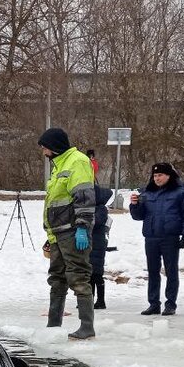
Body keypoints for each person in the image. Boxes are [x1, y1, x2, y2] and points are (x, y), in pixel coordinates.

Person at [38, 127, 96, 339]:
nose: (44, 152)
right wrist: (51, 234)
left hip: (73, 232)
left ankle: (87, 327)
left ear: (54, 146)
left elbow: (84, 198)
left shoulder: (77, 162)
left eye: (45, 148)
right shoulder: (58, 164)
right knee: (57, 278)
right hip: (58, 233)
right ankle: (54, 324)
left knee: (78, 276)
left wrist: (82, 227)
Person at [129, 162, 184, 316]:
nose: (157, 178)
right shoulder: (147, 193)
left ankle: (170, 304)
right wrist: (134, 205)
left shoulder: (181, 193)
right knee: (152, 271)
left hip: (169, 237)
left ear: (168, 176)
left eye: (160, 175)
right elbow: (138, 216)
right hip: (151, 237)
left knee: (171, 271)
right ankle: (153, 304)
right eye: (155, 175)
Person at [90, 182, 113, 309]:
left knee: (97, 274)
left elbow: (98, 221)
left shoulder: (101, 208)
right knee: (89, 275)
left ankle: (101, 300)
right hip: (90, 242)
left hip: (97, 243)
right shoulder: (91, 208)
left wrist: (86, 218)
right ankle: (90, 298)